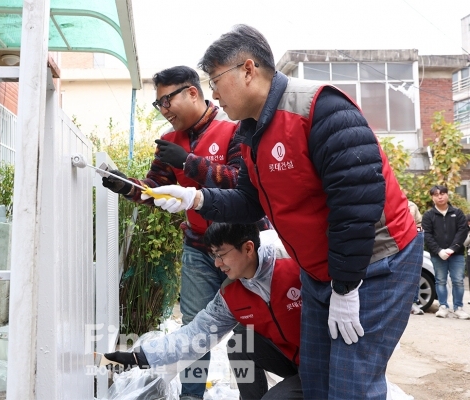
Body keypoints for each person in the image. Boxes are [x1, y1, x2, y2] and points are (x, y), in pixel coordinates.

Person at [142, 24, 423, 399]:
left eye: (215, 80)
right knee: (316, 381)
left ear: (247, 69)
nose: (213, 94)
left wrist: (345, 286)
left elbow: (357, 207)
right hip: (321, 270)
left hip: (374, 265)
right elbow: (248, 199)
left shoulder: (320, 110)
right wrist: (195, 199)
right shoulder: (249, 133)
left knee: (350, 385)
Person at [101, 65, 269, 400]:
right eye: (158, 104)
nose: (163, 110)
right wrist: (128, 187)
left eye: (167, 100)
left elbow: (239, 182)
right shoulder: (168, 142)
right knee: (195, 326)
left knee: (251, 328)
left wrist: (188, 162)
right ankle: (191, 396)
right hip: (197, 247)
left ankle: (259, 395)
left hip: (242, 248)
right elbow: (155, 191)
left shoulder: (234, 129)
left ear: (192, 92)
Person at [104, 223, 303, 400]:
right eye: (214, 256)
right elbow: (196, 334)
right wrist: (139, 357)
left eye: (222, 255)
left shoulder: (295, 262)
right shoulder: (230, 293)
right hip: (291, 359)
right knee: (239, 346)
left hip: (323, 362)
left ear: (248, 248)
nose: (217, 264)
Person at [422, 185, 469, 319]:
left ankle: (458, 307)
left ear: (447, 195)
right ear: (432, 197)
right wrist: (439, 250)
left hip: (457, 253)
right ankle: (443, 306)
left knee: (458, 281)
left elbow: (462, 231)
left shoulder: (457, 213)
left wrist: (452, 248)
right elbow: (427, 235)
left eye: (442, 193)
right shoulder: (428, 215)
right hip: (438, 255)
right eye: (436, 194)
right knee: (440, 280)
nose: (440, 197)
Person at [408, 199, 425, 315]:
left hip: (413, 238)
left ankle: (413, 303)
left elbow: (410, 219)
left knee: (414, 273)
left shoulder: (409, 205)